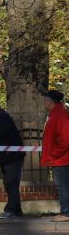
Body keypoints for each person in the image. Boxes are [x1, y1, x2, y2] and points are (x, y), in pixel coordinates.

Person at [44, 89, 69, 222]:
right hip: (60, 157)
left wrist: (54, 154)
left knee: (62, 186)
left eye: (45, 100)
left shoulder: (59, 115)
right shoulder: (56, 114)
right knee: (64, 185)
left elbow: (65, 139)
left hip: (61, 159)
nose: (44, 103)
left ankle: (66, 213)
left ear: (49, 102)